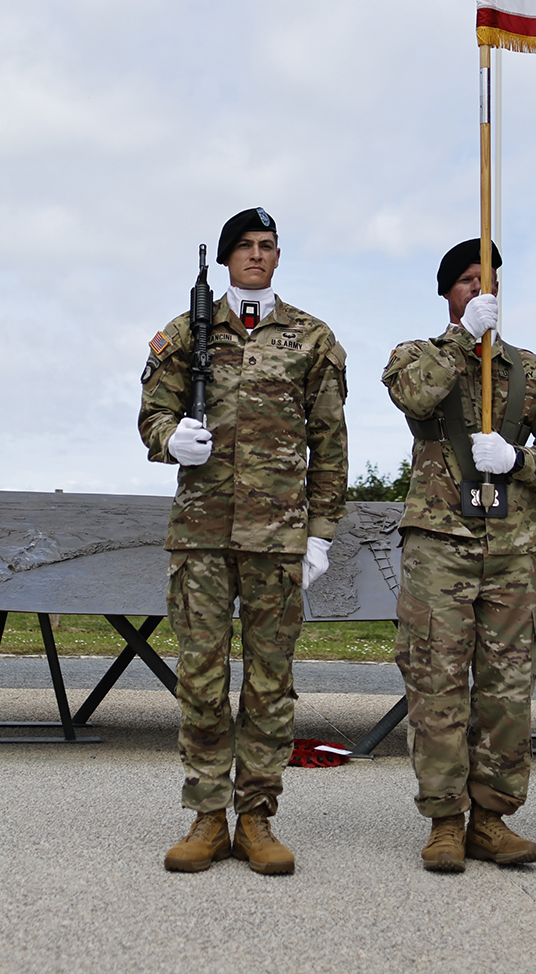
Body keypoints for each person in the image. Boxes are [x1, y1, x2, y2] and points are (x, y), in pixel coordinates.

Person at [137, 207, 348, 875]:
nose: (257, 255)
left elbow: (330, 444)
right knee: (200, 676)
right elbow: (150, 413)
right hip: (200, 535)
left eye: (268, 246)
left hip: (277, 535)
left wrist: (320, 534)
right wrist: (171, 439)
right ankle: (206, 814)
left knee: (269, 681)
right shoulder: (184, 332)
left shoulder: (311, 338)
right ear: (227, 259)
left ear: (278, 257)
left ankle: (256, 816)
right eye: (246, 247)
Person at [382, 238, 536, 873]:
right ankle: (445, 820)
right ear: (448, 293)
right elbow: (414, 397)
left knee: (507, 691)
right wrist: (459, 341)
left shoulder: (532, 372)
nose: (481, 291)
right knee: (437, 686)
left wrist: (521, 461)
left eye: (489, 282)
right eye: (469, 282)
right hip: (440, 546)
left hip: (510, 545)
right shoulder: (416, 354)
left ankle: (492, 819)